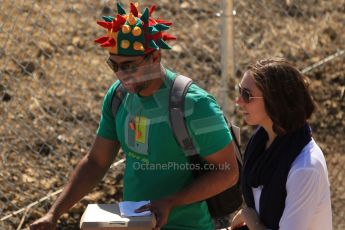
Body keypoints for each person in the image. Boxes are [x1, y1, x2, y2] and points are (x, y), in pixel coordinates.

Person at [30, 2, 239, 230]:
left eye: (129, 66)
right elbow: (96, 162)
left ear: (155, 57)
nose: (121, 74)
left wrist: (170, 202)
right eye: (114, 65)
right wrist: (54, 213)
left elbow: (227, 173)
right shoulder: (118, 97)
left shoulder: (195, 105)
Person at [230, 58, 332, 230]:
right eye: (240, 91)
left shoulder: (305, 167)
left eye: (247, 95)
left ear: (274, 100)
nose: (239, 101)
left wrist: (252, 221)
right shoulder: (260, 143)